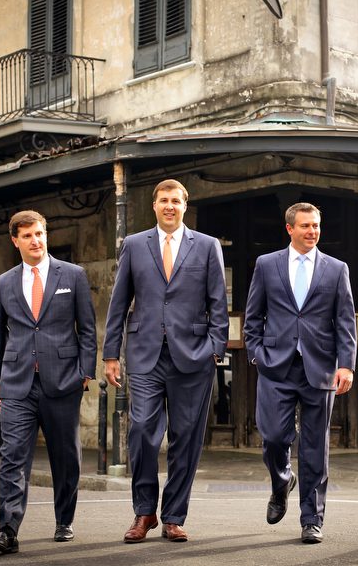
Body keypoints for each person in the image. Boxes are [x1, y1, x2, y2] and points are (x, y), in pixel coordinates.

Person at [103, 179, 228, 543]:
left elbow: (218, 301)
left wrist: (215, 348)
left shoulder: (206, 246)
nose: (169, 206)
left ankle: (173, 516)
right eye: (163, 200)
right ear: (154, 206)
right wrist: (111, 354)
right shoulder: (134, 244)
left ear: (185, 205)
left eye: (176, 200)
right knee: (141, 431)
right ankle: (144, 512)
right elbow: (119, 301)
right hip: (145, 354)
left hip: (194, 356)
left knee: (186, 438)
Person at [0, 210, 97, 554]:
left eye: (40, 234)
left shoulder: (73, 275)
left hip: (63, 382)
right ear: (15, 240)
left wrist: (84, 373)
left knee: (66, 457)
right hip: (17, 384)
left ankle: (64, 519)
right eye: (28, 235)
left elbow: (88, 329)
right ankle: (8, 529)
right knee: (13, 456)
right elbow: (0, 337)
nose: (36, 241)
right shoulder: (5, 282)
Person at [243, 202, 356, 544]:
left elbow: (345, 321)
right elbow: (253, 317)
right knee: (274, 437)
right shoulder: (266, 265)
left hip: (319, 368)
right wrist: (257, 355)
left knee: (314, 448)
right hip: (276, 367)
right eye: (305, 226)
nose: (312, 231)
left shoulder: (336, 269)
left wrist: (346, 364)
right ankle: (281, 482)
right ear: (289, 228)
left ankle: (311, 518)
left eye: (316, 226)